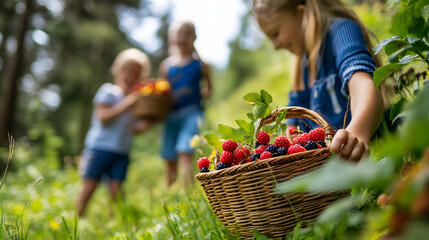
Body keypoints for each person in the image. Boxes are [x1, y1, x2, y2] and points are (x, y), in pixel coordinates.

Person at [252, 0, 384, 161]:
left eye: (275, 34)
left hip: (361, 159)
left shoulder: (341, 32)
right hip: (326, 166)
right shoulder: (302, 64)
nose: (275, 46)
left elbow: (362, 84)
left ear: (301, 14)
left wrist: (357, 132)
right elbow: (292, 122)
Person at [76, 48, 152, 217]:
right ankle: (76, 220)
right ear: (118, 70)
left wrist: (152, 121)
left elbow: (135, 129)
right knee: (89, 187)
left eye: (137, 74)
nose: (131, 77)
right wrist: (126, 104)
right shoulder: (108, 91)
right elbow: (103, 117)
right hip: (99, 148)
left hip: (121, 152)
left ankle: (114, 226)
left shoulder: (136, 103)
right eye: (128, 72)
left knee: (116, 192)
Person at [158, 20, 212, 186]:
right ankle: (170, 198)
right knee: (169, 158)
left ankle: (188, 196)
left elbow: (209, 89)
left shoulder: (200, 65)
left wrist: (197, 94)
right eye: (178, 34)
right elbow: (161, 91)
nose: (182, 38)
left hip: (192, 113)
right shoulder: (167, 66)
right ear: (172, 38)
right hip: (171, 116)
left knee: (185, 152)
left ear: (194, 37)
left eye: (186, 33)